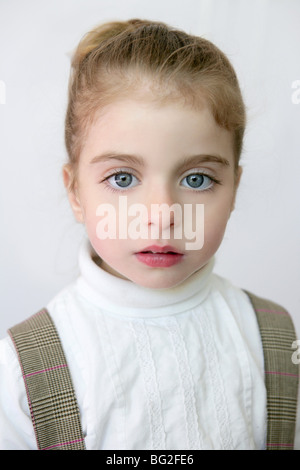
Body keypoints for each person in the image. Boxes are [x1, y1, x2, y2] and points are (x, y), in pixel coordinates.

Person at [0, 18, 299, 451]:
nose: (161, 217)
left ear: (234, 187)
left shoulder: (276, 340)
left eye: (197, 179)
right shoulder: (20, 368)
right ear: (75, 191)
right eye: (122, 178)